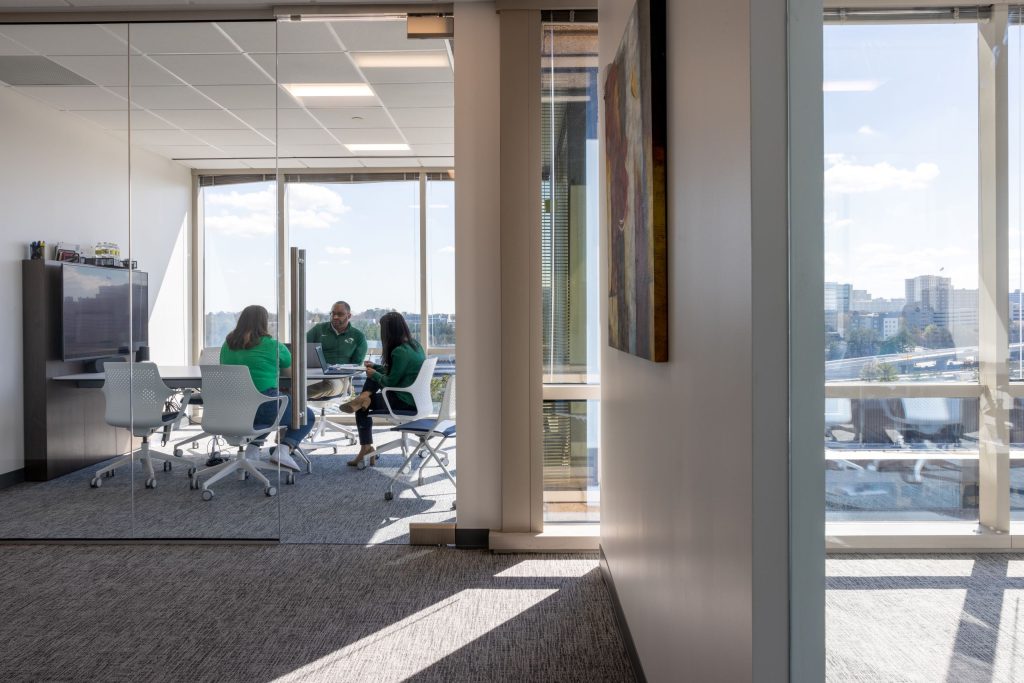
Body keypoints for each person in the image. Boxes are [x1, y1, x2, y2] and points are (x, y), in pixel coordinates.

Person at [220, 304, 315, 471]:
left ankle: (252, 449)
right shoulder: (273, 345)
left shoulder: (227, 345)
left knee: (267, 410)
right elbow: (293, 373)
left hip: (233, 408)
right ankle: (283, 450)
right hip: (264, 406)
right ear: (264, 322)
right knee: (305, 415)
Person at [340, 311, 425, 468]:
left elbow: (389, 381)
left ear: (388, 331)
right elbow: (395, 373)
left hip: (402, 401)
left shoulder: (399, 351)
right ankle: (363, 398)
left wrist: (375, 374)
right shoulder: (415, 346)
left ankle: (366, 447)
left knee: (361, 408)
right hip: (415, 399)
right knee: (372, 379)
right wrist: (376, 368)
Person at [306, 300, 367, 400]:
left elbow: (356, 366)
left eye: (340, 314)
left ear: (349, 316)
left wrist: (339, 370)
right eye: (333, 313)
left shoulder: (358, 337)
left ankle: (292, 396)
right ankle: (291, 397)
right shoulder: (318, 329)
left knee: (333, 385)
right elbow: (299, 347)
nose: (335, 317)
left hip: (340, 380)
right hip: (313, 375)